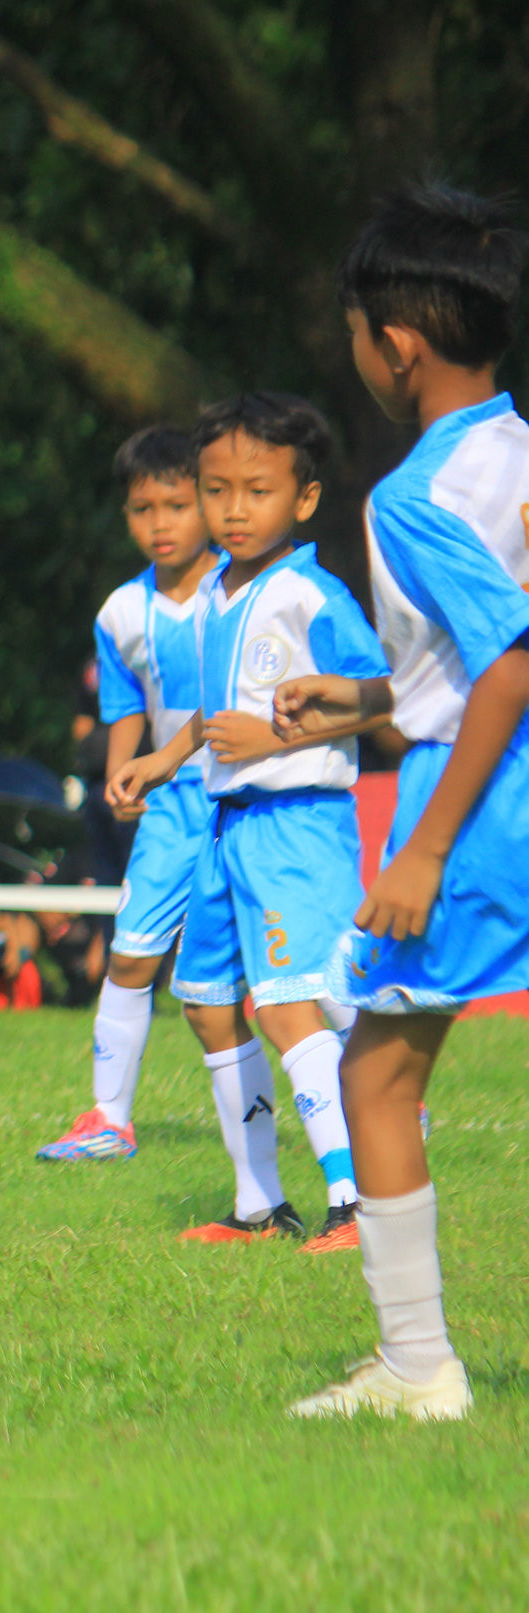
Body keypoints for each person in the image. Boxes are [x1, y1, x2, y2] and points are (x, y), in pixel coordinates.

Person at [276, 184, 529, 1422]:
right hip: (488, 767)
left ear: (396, 345)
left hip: (480, 811)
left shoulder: (409, 495)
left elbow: (508, 662)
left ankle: (417, 1367)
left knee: (375, 1072)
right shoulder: (517, 455)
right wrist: (364, 696)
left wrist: (422, 849)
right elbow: (470, 659)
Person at [111, 393, 387, 1251]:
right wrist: (158, 760)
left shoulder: (307, 592)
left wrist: (276, 734)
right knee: (205, 1007)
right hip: (221, 826)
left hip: (294, 825)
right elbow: (209, 713)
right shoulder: (215, 598)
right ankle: (260, 1206)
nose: (232, 509)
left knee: (291, 1004)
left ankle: (359, 1202)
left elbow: (385, 696)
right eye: (216, 489)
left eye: (256, 490)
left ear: (302, 501)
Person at [39, 427, 218, 1160]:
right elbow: (125, 708)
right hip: (170, 805)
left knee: (293, 965)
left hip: (251, 797)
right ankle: (109, 1120)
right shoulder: (119, 613)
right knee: (132, 954)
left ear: (208, 503)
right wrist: (122, 773)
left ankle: (387, 1097)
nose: (159, 523)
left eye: (175, 505)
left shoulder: (240, 591)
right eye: (142, 508)